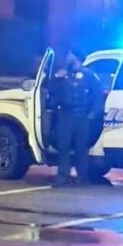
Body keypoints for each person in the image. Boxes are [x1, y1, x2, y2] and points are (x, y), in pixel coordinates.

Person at [49, 50, 103, 187]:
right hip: (65, 115)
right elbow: (50, 91)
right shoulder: (62, 75)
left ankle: (82, 179)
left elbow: (98, 96)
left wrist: (92, 115)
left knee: (81, 149)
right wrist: (56, 78)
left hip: (81, 115)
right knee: (63, 147)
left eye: (69, 55)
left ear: (76, 57)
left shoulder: (88, 75)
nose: (66, 58)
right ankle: (63, 178)